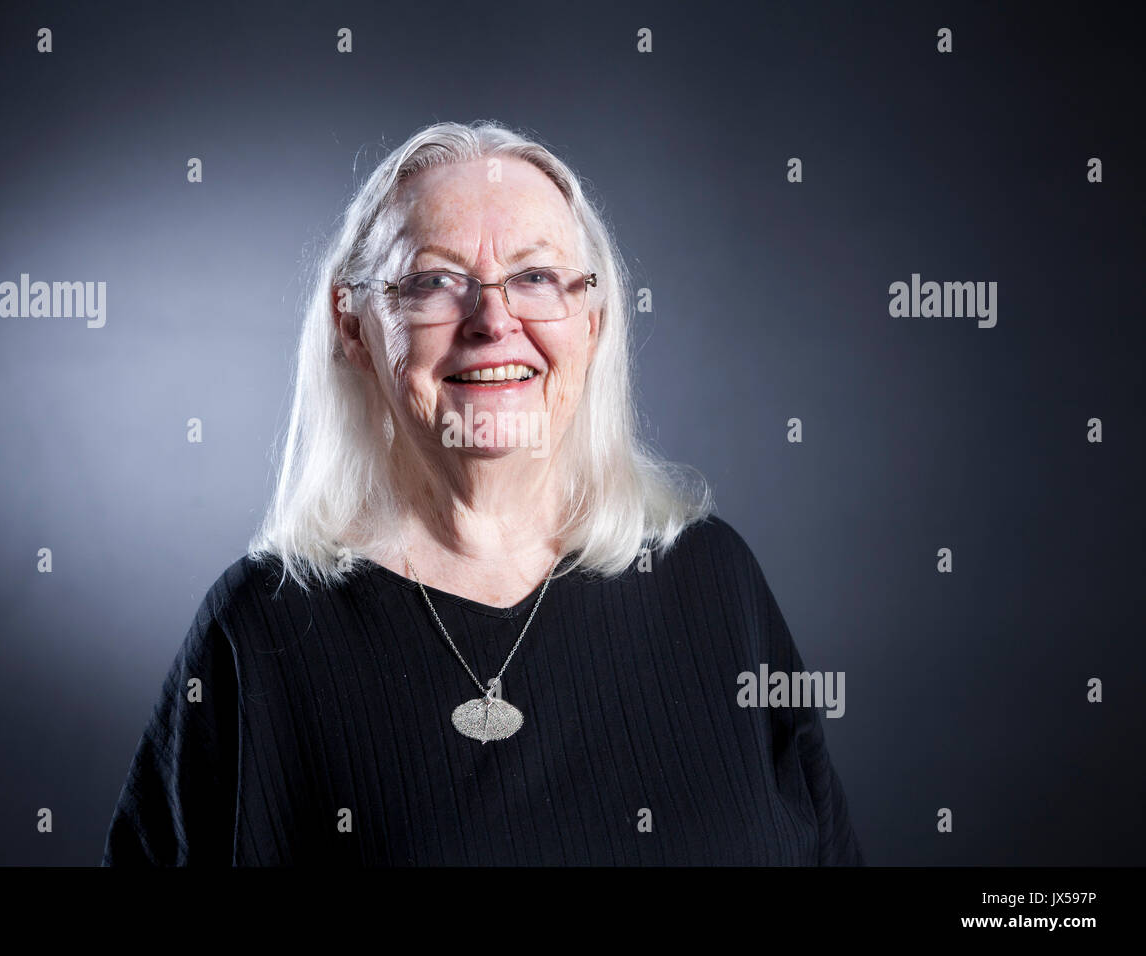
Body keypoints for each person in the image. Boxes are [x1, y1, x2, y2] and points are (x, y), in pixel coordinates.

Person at [102, 120, 864, 865]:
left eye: (536, 277)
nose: (494, 320)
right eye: (436, 281)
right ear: (355, 327)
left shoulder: (714, 582)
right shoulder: (259, 634)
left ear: (592, 321)